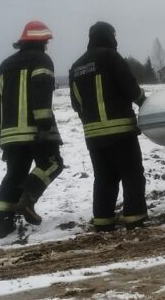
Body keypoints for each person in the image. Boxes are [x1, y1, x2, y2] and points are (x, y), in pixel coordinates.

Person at [0, 21, 64, 238]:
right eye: (46, 42)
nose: (47, 46)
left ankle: (2, 222)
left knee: (14, 174)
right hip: (35, 130)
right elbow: (41, 90)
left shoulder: (5, 65)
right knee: (53, 164)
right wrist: (44, 125)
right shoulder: (42, 60)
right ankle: (27, 200)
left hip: (10, 135)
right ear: (41, 42)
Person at [69, 22, 148, 232]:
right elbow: (130, 87)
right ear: (108, 36)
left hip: (93, 136)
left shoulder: (76, 67)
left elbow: (76, 103)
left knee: (104, 178)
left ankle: (103, 221)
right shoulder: (112, 57)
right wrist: (145, 102)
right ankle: (135, 218)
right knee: (131, 174)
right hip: (121, 132)